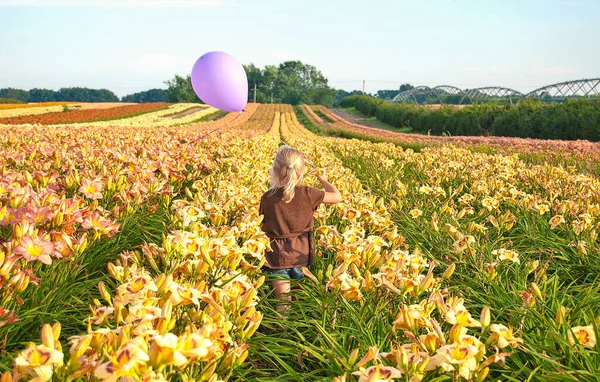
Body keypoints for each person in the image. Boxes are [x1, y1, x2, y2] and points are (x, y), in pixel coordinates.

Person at [259, 145, 342, 313]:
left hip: (276, 258)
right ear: (301, 172)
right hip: (301, 255)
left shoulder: (267, 197)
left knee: (283, 303)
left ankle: (280, 335)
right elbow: (337, 197)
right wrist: (323, 180)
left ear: (275, 170)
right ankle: (300, 335)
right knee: (298, 302)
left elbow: (262, 225)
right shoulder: (309, 194)